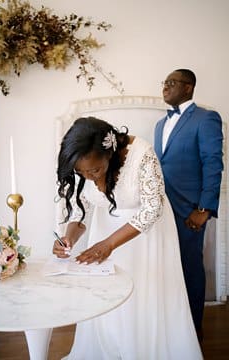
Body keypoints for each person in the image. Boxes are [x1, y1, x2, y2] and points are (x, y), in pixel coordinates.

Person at [54, 117, 201, 359]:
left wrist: (109, 244)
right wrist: (68, 238)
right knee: (107, 299)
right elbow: (82, 209)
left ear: (109, 152)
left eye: (95, 170)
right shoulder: (82, 163)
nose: (88, 177)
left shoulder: (141, 153)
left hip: (144, 235)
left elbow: (153, 207)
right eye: (81, 172)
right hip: (104, 233)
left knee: (142, 299)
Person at [154, 68, 224, 338]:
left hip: (190, 211)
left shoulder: (207, 118)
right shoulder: (160, 124)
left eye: (171, 83)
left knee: (189, 266)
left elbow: (213, 164)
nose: (165, 87)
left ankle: (193, 330)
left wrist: (203, 209)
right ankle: (172, 323)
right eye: (164, 82)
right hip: (161, 209)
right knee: (165, 267)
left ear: (188, 87)